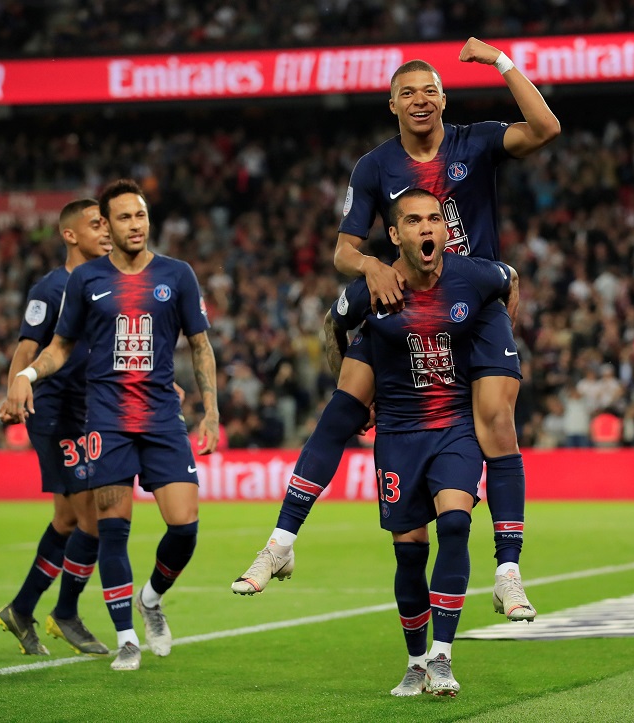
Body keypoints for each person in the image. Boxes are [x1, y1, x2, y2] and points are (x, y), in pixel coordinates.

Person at [233, 37, 559, 622]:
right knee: (344, 406)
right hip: (403, 301)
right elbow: (343, 251)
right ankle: (280, 541)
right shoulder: (375, 166)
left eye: (430, 90)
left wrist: (500, 62)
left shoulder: (474, 141)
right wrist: (372, 266)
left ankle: (508, 571)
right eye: (408, 93)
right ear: (392, 105)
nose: (420, 100)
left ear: (444, 99)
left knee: (496, 420)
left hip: (474, 303)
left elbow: (545, 128)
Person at [5, 179, 220, 672]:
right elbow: (59, 346)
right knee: (109, 528)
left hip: (162, 417)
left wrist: (210, 409)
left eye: (140, 215)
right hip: (105, 420)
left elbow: (200, 345)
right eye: (124, 217)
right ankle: (125, 638)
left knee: (184, 526)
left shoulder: (177, 274)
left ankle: (151, 598)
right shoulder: (84, 280)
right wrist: (26, 375)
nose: (135, 225)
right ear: (107, 223)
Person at [332, 189, 519, 695]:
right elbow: (335, 324)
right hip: (399, 432)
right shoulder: (374, 290)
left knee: (456, 524)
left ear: (445, 228)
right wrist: (355, 389)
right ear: (396, 235)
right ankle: (415, 662)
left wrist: (502, 336)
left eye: (435, 218)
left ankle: (442, 657)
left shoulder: (472, 275)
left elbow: (509, 281)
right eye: (414, 220)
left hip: (455, 425)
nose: (428, 227)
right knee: (409, 554)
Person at [0, 199, 113, 657]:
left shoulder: (105, 284)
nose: (106, 231)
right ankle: (65, 613)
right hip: (57, 411)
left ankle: (21, 609)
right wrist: (14, 392)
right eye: (96, 224)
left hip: (90, 411)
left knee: (66, 520)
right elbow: (27, 349)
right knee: (95, 519)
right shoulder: (51, 288)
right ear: (70, 235)